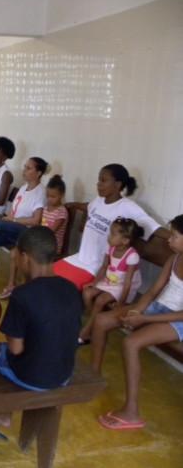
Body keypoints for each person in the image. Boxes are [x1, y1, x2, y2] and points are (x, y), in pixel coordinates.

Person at [0, 227, 82, 438]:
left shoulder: (22, 295)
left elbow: (16, 349)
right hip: (63, 373)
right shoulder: (71, 288)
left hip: (33, 377)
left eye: (16, 256)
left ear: (25, 258)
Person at [92, 215, 183, 430]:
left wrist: (145, 318)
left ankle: (132, 412)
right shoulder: (175, 258)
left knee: (131, 343)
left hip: (178, 318)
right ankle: (93, 377)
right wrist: (135, 312)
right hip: (159, 309)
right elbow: (152, 292)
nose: (169, 240)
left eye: (175, 236)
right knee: (102, 320)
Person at [54, 163, 164, 291]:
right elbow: (88, 206)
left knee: (58, 288)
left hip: (97, 266)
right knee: (45, 278)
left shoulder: (127, 207)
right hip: (79, 258)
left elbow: (154, 227)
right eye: (99, 180)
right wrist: (74, 204)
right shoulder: (99, 200)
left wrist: (176, 235)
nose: (98, 184)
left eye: (103, 180)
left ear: (117, 184)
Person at [0, 157, 49, 291]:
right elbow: (13, 212)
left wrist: (12, 220)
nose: (24, 170)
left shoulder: (41, 192)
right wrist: (9, 219)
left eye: (28, 168)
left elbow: (36, 220)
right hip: (14, 230)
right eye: (24, 167)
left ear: (39, 173)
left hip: (27, 233)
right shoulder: (23, 188)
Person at [0, 174, 69, 299]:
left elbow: (49, 233)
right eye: (48, 196)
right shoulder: (46, 208)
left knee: (27, 257)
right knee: (16, 252)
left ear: (61, 195)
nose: (50, 199)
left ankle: (28, 288)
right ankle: (11, 284)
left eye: (53, 196)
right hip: (39, 242)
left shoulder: (61, 212)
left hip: (50, 246)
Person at [79, 218, 144, 344]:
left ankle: (87, 331)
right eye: (110, 232)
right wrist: (94, 282)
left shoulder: (132, 256)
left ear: (125, 241)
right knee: (87, 293)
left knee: (100, 300)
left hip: (123, 286)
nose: (109, 237)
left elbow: (127, 283)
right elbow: (104, 267)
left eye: (113, 234)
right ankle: (92, 322)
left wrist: (121, 304)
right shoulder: (111, 248)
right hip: (110, 281)